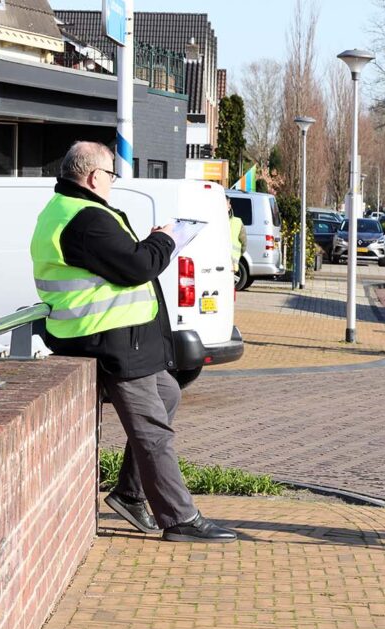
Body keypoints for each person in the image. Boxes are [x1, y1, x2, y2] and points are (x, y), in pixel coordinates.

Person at [30, 141, 237, 543]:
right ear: (93, 177)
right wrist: (165, 240)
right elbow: (139, 266)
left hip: (119, 338)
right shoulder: (85, 218)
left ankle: (129, 493)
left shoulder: (72, 211)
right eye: (111, 175)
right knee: (153, 431)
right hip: (109, 342)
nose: (112, 182)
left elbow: (119, 262)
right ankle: (179, 518)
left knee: (169, 394)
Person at [227, 198, 247, 276]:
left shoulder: (238, 222)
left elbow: (244, 243)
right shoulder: (214, 221)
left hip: (231, 266)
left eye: (227, 204)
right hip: (217, 265)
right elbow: (244, 244)